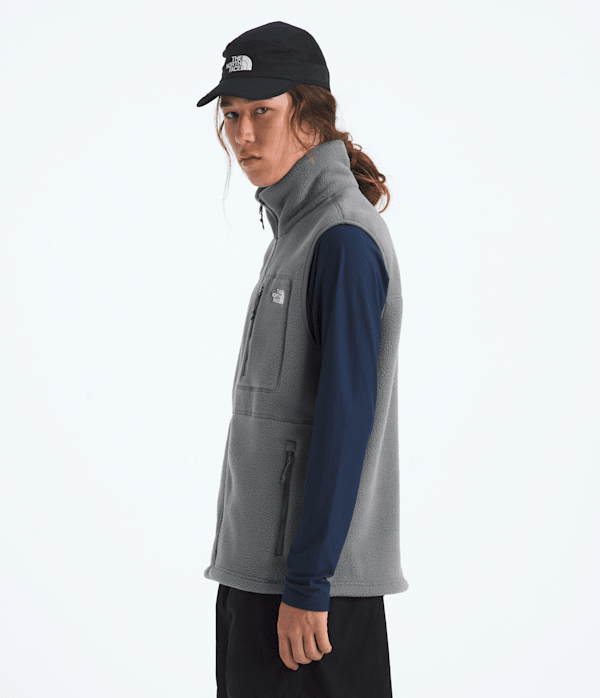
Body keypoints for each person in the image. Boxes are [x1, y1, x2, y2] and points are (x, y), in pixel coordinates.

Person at [196, 20, 409, 698]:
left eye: (262, 111)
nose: (243, 134)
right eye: (232, 114)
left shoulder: (341, 240)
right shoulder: (296, 232)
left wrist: (309, 583)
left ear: (311, 119)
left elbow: (347, 421)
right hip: (260, 577)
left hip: (311, 598)